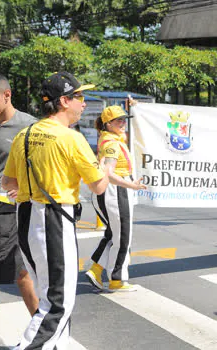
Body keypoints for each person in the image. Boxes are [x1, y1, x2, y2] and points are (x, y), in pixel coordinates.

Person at [2, 71, 113, 349]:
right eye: (79, 97)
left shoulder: (25, 135)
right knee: (59, 303)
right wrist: (108, 164)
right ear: (64, 101)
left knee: (49, 293)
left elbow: (7, 183)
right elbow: (99, 186)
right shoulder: (70, 139)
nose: (84, 103)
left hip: (26, 218)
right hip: (53, 220)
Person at [85, 105, 146, 292]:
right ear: (108, 124)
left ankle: (96, 270)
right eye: (118, 120)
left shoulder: (110, 138)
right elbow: (108, 173)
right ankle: (117, 280)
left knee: (114, 233)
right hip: (115, 191)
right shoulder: (112, 143)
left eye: (123, 119)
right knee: (123, 236)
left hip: (110, 191)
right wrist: (131, 185)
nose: (122, 123)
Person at [0, 72, 38, 316]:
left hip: (9, 211)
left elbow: (42, 166)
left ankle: (45, 333)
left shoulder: (29, 126)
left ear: (6, 95)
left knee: (21, 274)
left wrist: (24, 187)